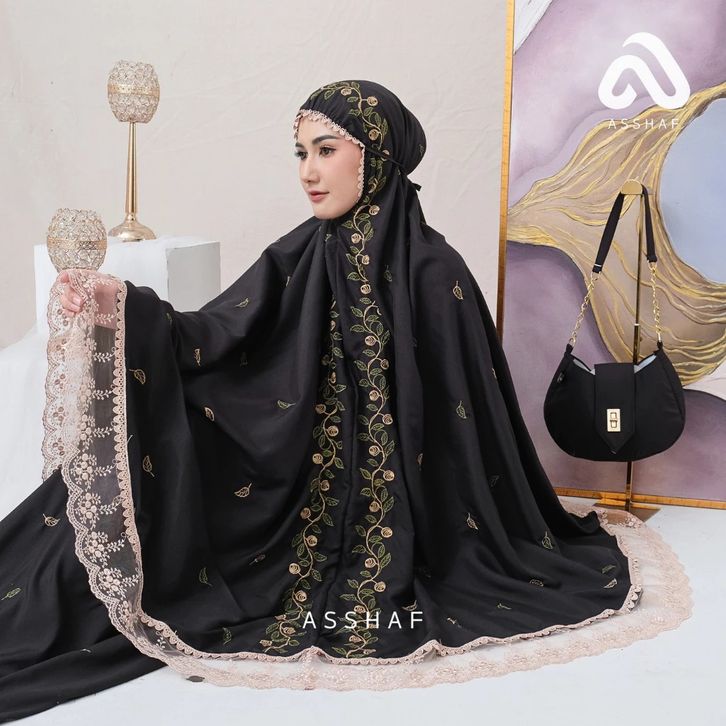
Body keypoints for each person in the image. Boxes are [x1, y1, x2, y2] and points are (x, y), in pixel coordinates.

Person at [0, 80, 687, 722]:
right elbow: (218, 335)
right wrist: (120, 305)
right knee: (116, 502)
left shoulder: (436, 272)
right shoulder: (301, 252)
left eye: (326, 150)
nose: (308, 171)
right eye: (301, 153)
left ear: (376, 155)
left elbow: (464, 426)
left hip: (417, 516)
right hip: (292, 488)